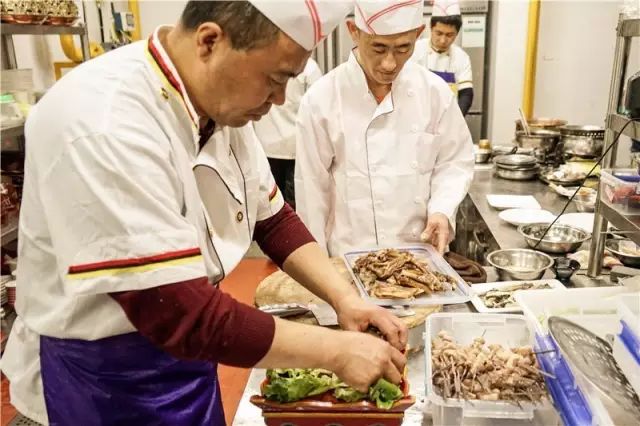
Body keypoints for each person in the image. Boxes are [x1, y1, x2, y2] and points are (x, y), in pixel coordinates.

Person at [0, 2, 409, 425]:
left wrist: (345, 299)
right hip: (102, 377)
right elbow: (177, 311)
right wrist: (336, 352)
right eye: (275, 79)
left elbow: (272, 219)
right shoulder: (103, 121)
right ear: (210, 41)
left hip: (190, 355)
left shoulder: (220, 103)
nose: (281, 99)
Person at [295, 0, 474, 258]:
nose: (390, 63)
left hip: (420, 258)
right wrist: (320, 275)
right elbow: (312, 196)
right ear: (353, 31)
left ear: (418, 33)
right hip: (349, 260)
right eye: (378, 48)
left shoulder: (434, 93)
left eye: (403, 48)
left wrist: (442, 209)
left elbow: (454, 161)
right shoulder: (321, 100)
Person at [253, 57, 322, 209]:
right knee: (294, 204)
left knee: (269, 204)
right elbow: (318, 110)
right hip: (295, 148)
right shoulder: (309, 68)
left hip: (267, 146)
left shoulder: (262, 64)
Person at [411, 0, 474, 116]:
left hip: (448, 116)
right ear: (431, 28)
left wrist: (456, 119)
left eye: (450, 35)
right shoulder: (415, 50)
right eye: (439, 33)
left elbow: (466, 93)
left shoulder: (461, 57)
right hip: (417, 116)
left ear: (457, 33)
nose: (443, 40)